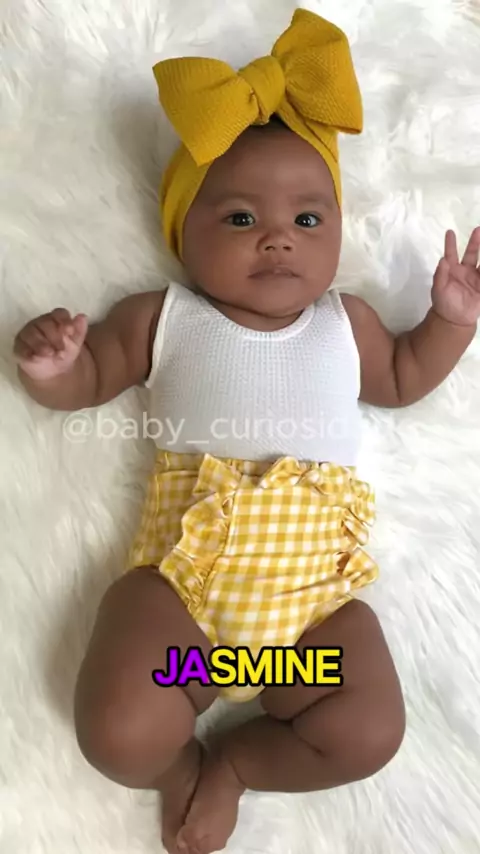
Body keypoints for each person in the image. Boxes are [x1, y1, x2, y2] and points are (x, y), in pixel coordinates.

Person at [13, 9, 480, 854]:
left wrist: (450, 322)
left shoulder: (346, 324)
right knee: (117, 730)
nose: (276, 239)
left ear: (337, 231)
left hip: (307, 632)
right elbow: (94, 377)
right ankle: (176, 767)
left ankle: (234, 763)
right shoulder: (167, 317)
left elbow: (405, 378)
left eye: (308, 220)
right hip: (184, 618)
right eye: (238, 219)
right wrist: (55, 368)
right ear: (181, 233)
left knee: (370, 730)